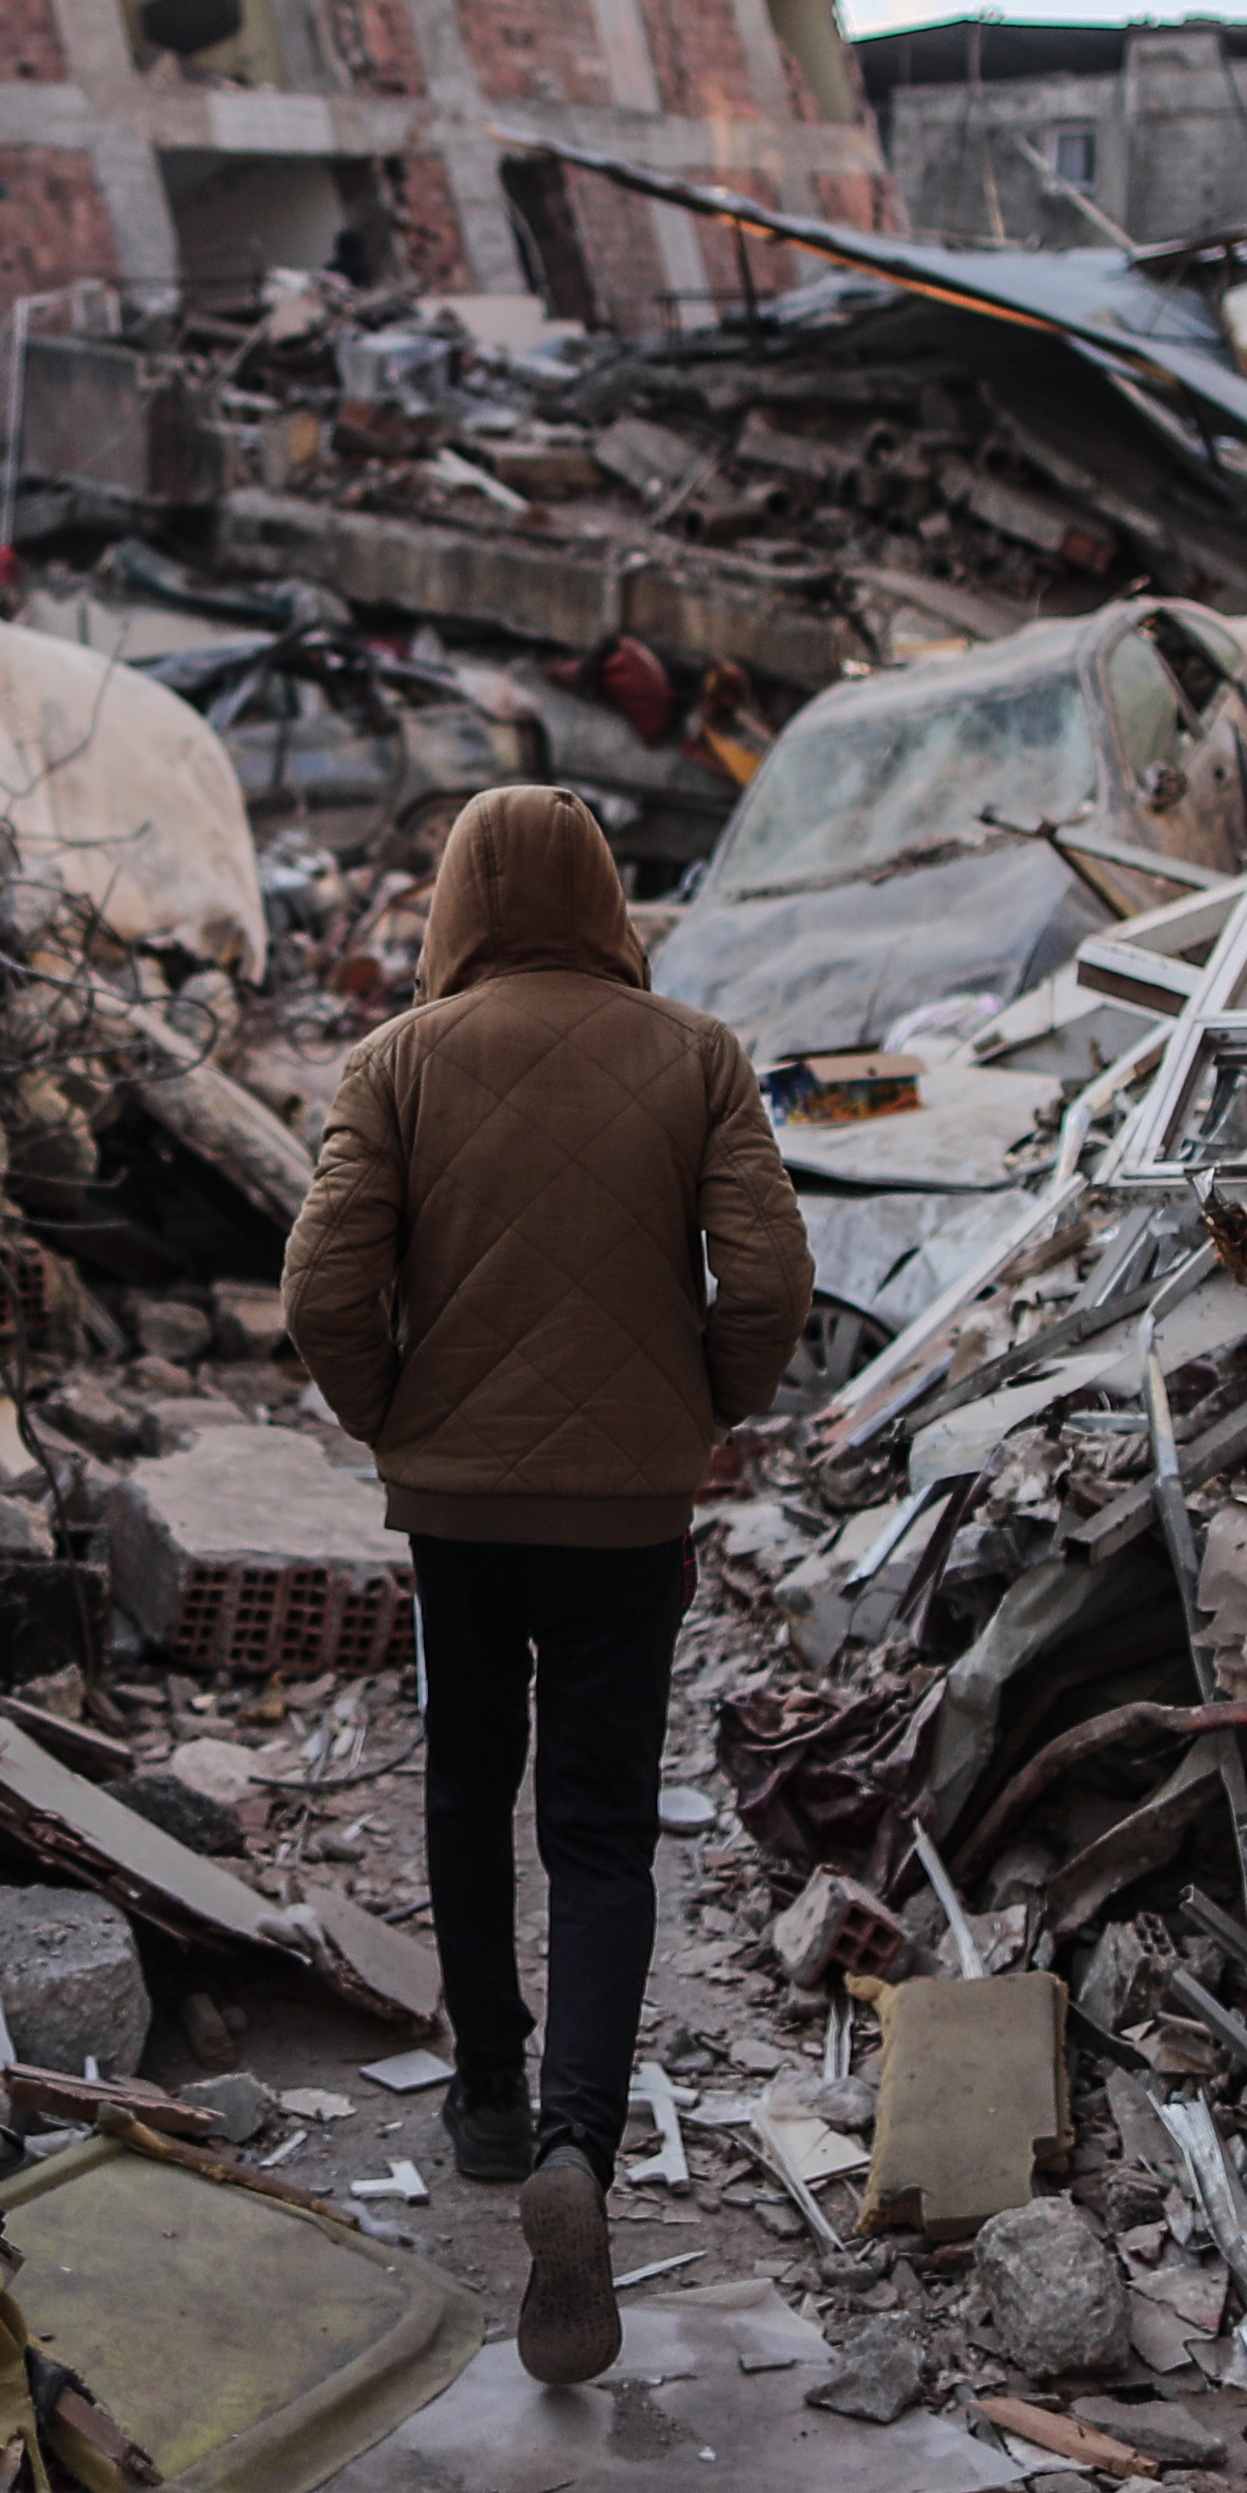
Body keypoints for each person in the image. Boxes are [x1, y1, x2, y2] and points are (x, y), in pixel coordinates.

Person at [283, 784, 808, 2387]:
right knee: (599, 1822)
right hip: (626, 1522)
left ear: (452, 902)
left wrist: (391, 1415)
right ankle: (584, 2138)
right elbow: (773, 1273)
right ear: (601, 897)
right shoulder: (698, 1053)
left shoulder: (397, 1063)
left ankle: (490, 2103)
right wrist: (703, 1405)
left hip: (462, 1513)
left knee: (465, 1782)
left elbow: (320, 1283)